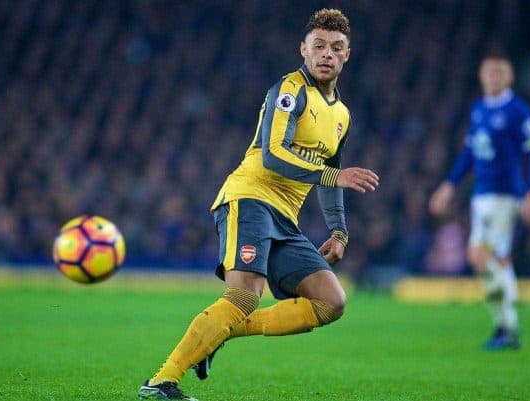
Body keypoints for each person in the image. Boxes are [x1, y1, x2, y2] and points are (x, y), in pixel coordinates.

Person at [138, 9, 379, 400]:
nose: (326, 55)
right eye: (318, 46)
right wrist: (335, 176)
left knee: (332, 302)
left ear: (347, 55)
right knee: (244, 297)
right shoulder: (289, 90)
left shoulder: (342, 116)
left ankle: (216, 336)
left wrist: (339, 232)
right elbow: (273, 154)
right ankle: (162, 382)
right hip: (249, 199)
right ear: (304, 50)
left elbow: (328, 175)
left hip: (284, 219)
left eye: (336, 48)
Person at [429, 53, 530, 350]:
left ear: (510, 77)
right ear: (481, 75)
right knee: (491, 261)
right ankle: (506, 327)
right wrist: (449, 185)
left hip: (505, 195)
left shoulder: (517, 110)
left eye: (499, 72)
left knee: (480, 256)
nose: (493, 77)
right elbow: (469, 152)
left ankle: (509, 325)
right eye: (489, 72)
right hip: (481, 196)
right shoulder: (479, 108)